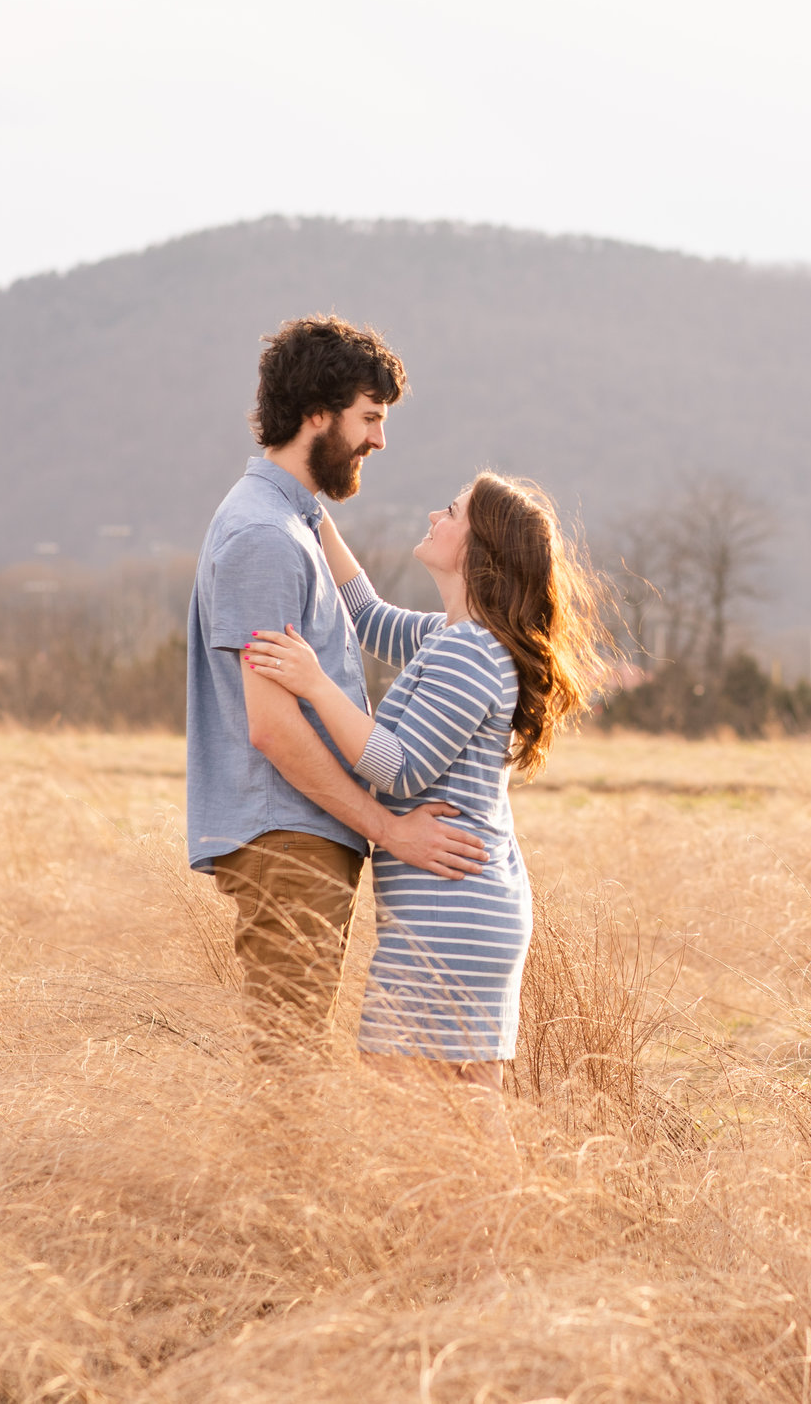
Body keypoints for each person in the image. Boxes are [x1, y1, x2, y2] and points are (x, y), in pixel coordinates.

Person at [241, 471, 599, 1118]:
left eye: (454, 510)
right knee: (467, 1110)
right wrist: (309, 506)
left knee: (407, 1112)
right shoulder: (454, 636)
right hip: (466, 907)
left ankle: (473, 1222)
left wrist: (316, 685)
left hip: (447, 909)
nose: (437, 513)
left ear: (477, 545)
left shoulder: (469, 651)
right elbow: (367, 615)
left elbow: (397, 768)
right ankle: (516, 1222)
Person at [185, 315, 487, 1054]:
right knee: (290, 1068)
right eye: (369, 418)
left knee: (296, 1055)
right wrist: (388, 829)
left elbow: (368, 613)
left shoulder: (290, 521)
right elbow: (271, 724)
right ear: (317, 413)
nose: (379, 441)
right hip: (288, 838)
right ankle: (283, 1177)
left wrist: (312, 501)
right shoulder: (264, 537)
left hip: (305, 833)